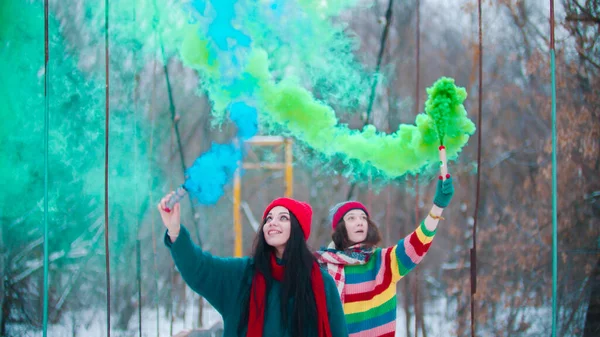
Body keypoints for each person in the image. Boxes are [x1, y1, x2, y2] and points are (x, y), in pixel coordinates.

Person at [158, 194, 349, 337]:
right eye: (269, 219)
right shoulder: (241, 276)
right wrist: (175, 230)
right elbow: (199, 268)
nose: (272, 223)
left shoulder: (321, 284)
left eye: (283, 218)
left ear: (298, 229)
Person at [315, 174, 455, 337]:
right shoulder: (322, 267)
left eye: (363, 218)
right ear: (340, 228)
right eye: (351, 218)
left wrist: (437, 207)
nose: (360, 222)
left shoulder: (383, 261)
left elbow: (417, 242)